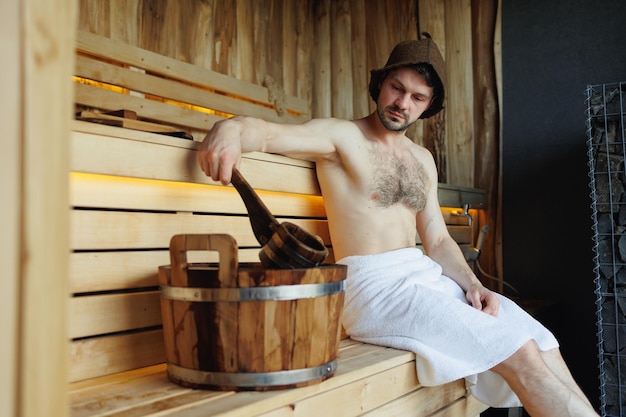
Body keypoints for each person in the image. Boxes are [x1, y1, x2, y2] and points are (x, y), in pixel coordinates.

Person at [198, 33, 598, 417]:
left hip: (424, 278)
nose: (402, 103)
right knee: (520, 354)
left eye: (417, 97)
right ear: (379, 84)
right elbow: (268, 134)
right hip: (373, 288)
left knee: (543, 343)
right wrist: (231, 129)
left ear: (429, 105)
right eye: (396, 87)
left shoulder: (421, 159)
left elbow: (438, 240)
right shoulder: (342, 137)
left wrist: (474, 285)